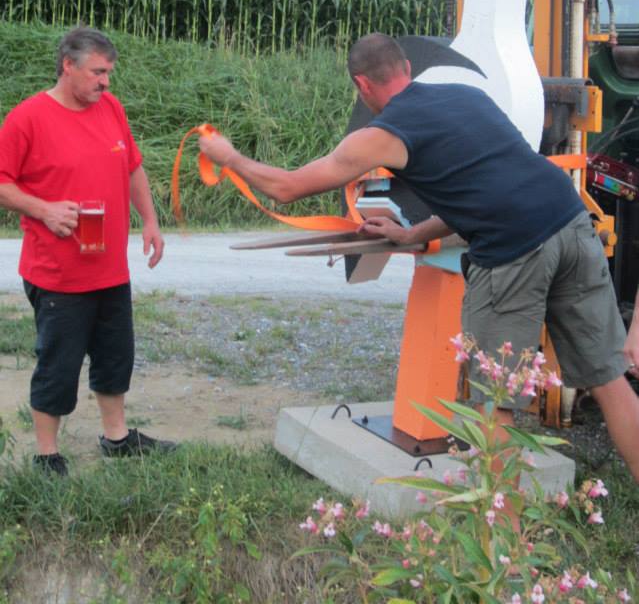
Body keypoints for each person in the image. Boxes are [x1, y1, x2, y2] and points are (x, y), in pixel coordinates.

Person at [199, 31, 639, 484]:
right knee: (609, 378)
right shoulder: (468, 97)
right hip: (571, 221)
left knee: (496, 404)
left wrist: (228, 155)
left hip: (513, 252)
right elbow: (483, 187)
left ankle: (497, 529)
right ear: (407, 68)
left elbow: (287, 188)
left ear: (362, 86)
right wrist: (411, 234)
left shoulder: (383, 134)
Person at [0, 27, 175, 475]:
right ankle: (46, 454)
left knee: (116, 356)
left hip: (110, 268)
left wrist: (150, 220)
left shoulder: (110, 108)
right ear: (68, 65)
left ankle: (117, 438)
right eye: (98, 72)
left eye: (108, 72)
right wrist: (44, 209)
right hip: (57, 272)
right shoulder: (28, 118)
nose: (105, 81)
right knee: (58, 364)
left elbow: (132, 167)